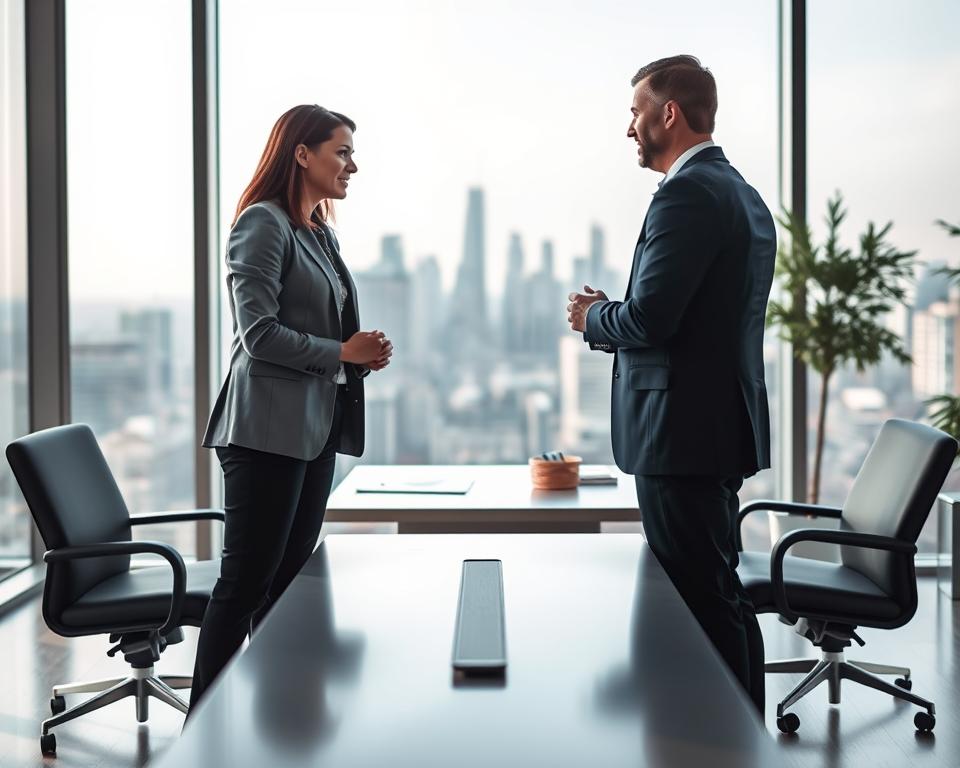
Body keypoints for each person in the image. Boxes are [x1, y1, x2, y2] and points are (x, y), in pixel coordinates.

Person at [566, 55, 776, 714]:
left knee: (700, 600)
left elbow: (653, 317)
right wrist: (617, 316)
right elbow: (694, 319)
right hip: (714, 425)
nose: (629, 128)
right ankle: (740, 734)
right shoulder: (739, 191)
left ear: (669, 113)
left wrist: (593, 316)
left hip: (681, 433)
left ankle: (718, 740)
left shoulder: (687, 194)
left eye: (635, 112)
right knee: (719, 593)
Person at [188, 104, 392, 711]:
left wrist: (356, 354)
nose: (353, 164)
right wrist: (340, 351)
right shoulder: (263, 223)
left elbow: (321, 325)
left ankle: (278, 721)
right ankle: (204, 728)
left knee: (286, 585)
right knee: (245, 585)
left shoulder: (318, 231)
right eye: (342, 151)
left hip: (314, 428)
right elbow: (259, 334)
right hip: (263, 432)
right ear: (301, 153)